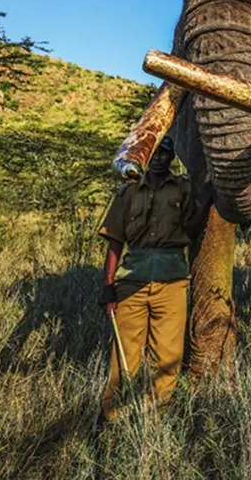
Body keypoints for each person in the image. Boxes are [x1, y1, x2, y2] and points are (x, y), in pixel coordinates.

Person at [98, 136, 196, 422]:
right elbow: (115, 242)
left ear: (171, 156)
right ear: (146, 155)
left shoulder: (183, 189)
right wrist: (108, 287)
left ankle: (153, 419)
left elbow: (199, 215)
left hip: (172, 283)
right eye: (155, 152)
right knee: (123, 359)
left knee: (167, 357)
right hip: (132, 283)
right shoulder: (127, 192)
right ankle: (112, 420)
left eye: (166, 152)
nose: (159, 158)